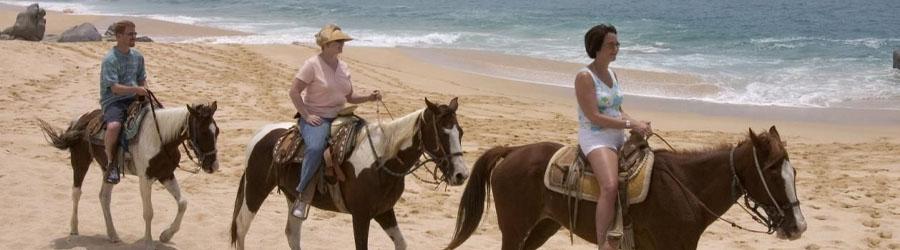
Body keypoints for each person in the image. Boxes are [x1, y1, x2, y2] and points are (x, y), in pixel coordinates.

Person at [290, 24, 382, 219]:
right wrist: (306, 115)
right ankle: (302, 196)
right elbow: (294, 92)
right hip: (318, 117)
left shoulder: (343, 67)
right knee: (316, 148)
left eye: (342, 41)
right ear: (325, 45)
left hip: (342, 115)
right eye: (337, 42)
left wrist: (369, 97)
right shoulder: (312, 65)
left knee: (370, 137)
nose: (342, 45)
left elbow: (350, 97)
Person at [575, 24, 652, 249]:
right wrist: (630, 124)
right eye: (611, 45)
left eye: (617, 44)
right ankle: (603, 243)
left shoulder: (612, 73)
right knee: (609, 186)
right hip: (596, 138)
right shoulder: (584, 76)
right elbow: (594, 116)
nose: (616, 48)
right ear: (596, 47)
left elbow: (618, 110)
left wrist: (638, 124)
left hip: (618, 136)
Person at [100, 20, 149, 184]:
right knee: (114, 127)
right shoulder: (110, 59)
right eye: (130, 34)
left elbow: (142, 78)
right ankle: (111, 164)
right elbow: (114, 88)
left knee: (158, 116)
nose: (134, 37)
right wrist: (137, 90)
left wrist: (145, 91)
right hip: (114, 100)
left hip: (135, 98)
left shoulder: (138, 57)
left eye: (134, 33)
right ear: (119, 36)